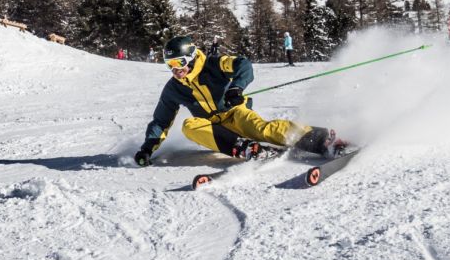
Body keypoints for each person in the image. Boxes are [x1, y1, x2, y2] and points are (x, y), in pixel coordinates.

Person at [136, 35, 337, 165]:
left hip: (235, 113)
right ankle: (243, 147)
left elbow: (244, 65)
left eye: (178, 62)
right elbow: (161, 121)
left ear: (190, 57)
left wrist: (236, 87)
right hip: (213, 127)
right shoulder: (173, 88)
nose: (175, 69)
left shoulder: (214, 65)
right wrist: (147, 149)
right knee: (189, 125)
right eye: (169, 65)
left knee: (263, 129)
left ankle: (322, 139)